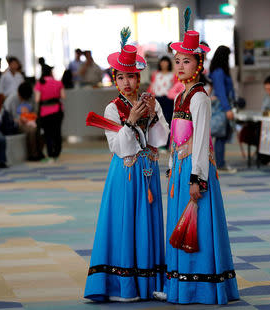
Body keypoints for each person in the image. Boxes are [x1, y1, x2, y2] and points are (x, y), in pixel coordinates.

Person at [154, 14, 239, 304]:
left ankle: (199, 286)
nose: (180, 66)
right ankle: (179, 284)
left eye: (186, 61)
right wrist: (170, 165)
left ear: (199, 64)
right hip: (179, 168)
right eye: (176, 61)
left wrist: (197, 177)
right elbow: (175, 137)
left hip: (193, 169)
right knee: (180, 224)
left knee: (198, 227)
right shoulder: (180, 96)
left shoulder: (200, 97)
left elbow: (202, 140)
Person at [84, 28, 169, 302]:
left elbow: (160, 139)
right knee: (125, 224)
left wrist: (153, 114)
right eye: (121, 77)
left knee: (149, 225)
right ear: (115, 79)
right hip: (126, 175)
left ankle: (150, 284)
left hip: (149, 173)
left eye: (131, 76)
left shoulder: (149, 102)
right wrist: (131, 120)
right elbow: (119, 148)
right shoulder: (113, 109)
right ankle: (124, 286)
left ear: (138, 77)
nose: (127, 82)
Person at [209, 45, 237, 173]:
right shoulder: (219, 72)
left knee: (222, 135)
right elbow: (221, 92)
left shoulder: (218, 71)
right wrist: (227, 109)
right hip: (221, 107)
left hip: (222, 105)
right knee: (221, 134)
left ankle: (219, 162)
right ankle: (220, 162)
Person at [3, 82, 44, 161]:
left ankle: (40, 152)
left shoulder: (32, 97)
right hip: (16, 123)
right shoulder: (11, 99)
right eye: (22, 98)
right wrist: (20, 119)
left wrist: (31, 117)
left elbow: (35, 111)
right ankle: (33, 154)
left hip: (31, 121)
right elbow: (7, 116)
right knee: (31, 131)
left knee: (41, 130)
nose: (24, 100)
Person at [34, 64, 65, 163]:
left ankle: (50, 154)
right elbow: (63, 96)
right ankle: (57, 153)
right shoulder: (58, 82)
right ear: (51, 72)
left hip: (44, 112)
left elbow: (37, 99)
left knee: (48, 134)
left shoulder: (40, 83)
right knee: (57, 132)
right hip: (57, 110)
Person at [147, 56, 177, 146]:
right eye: (162, 62)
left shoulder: (173, 75)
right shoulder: (156, 74)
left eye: (166, 62)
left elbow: (176, 87)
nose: (164, 64)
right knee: (157, 120)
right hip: (157, 98)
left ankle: (168, 143)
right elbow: (152, 86)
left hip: (168, 99)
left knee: (168, 120)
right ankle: (159, 143)